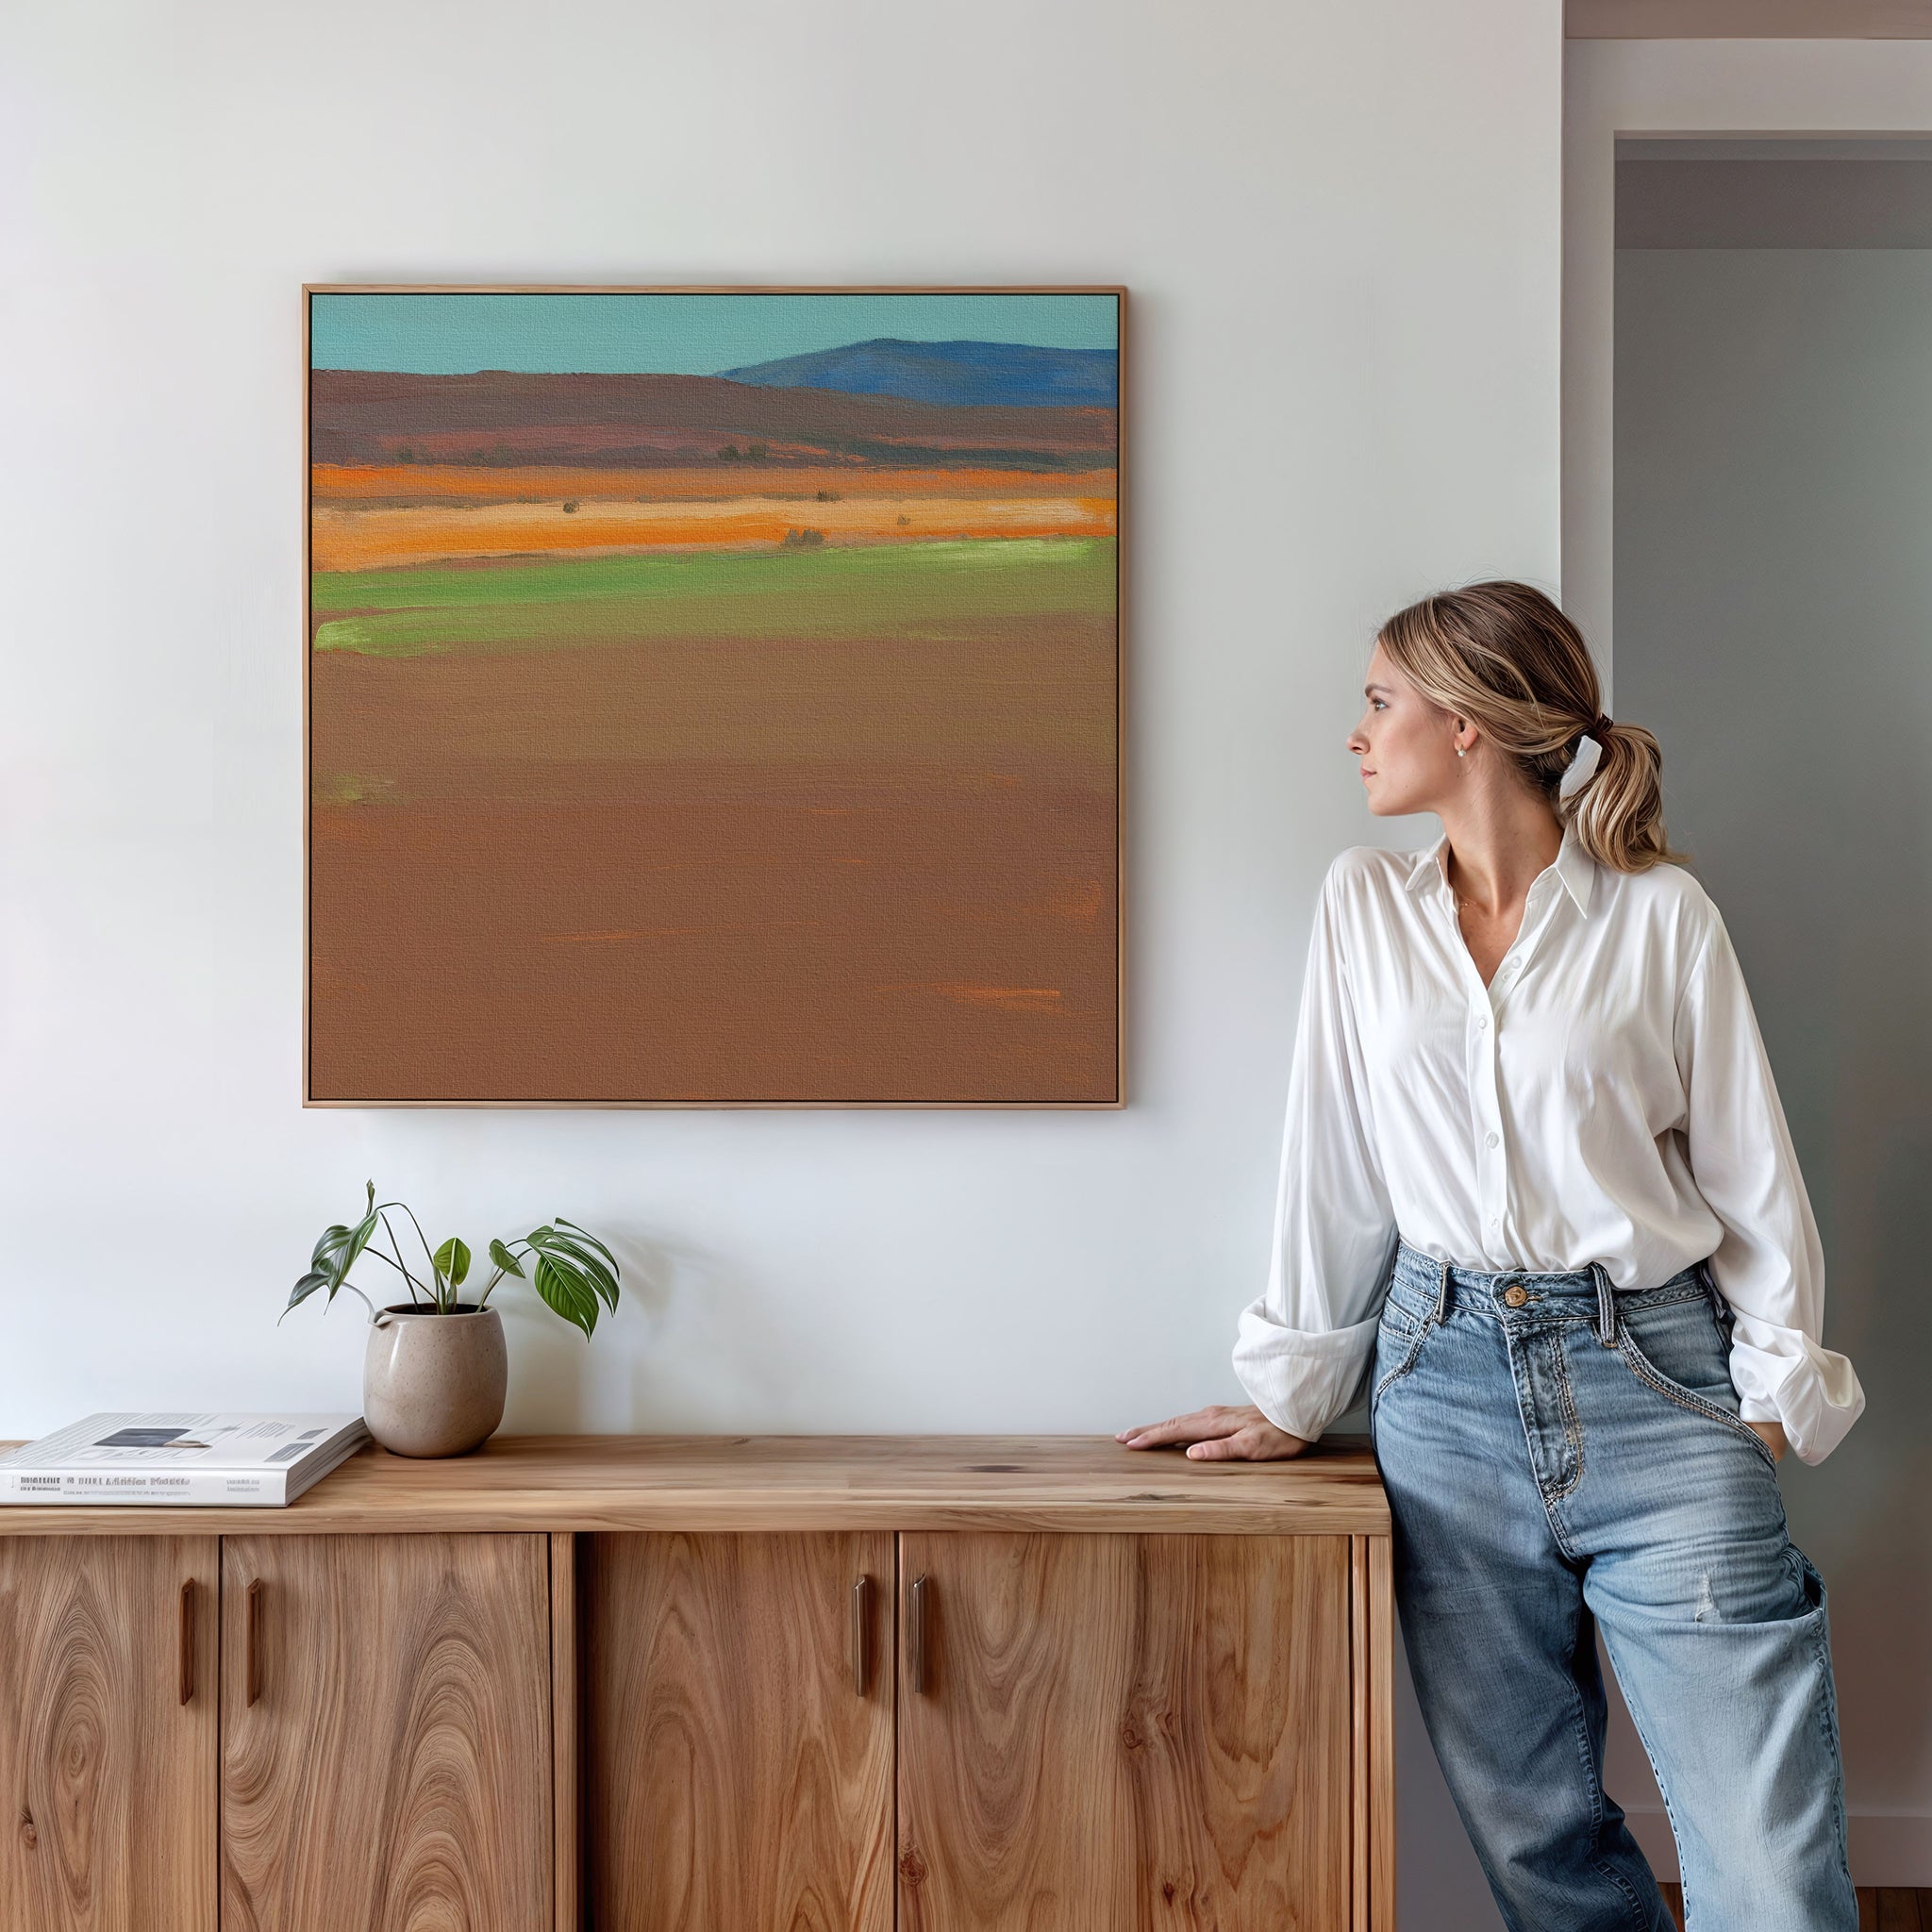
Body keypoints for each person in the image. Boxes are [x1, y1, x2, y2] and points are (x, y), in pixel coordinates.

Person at [1117, 581, 1865, 1931]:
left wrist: (1767, 1395)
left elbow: (1753, 1172)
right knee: (1539, 1849)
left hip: (1659, 1378)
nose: (1356, 733)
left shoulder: (1660, 917)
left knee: (1768, 1863)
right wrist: (1297, 1390)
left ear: (1466, 725)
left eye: (1378, 700)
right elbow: (1331, 1162)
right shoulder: (1362, 909)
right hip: (1441, 1389)